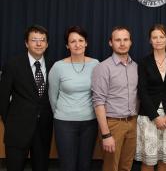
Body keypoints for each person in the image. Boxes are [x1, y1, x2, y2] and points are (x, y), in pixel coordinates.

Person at [0, 25, 53, 171]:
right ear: (26, 43)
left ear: (47, 44)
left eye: (42, 40)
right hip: (17, 130)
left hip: (43, 129)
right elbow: (3, 99)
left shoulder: (54, 65)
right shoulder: (12, 65)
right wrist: (10, 122)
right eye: (34, 40)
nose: (38, 43)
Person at [48, 26, 99, 171]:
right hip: (64, 123)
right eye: (73, 41)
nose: (77, 44)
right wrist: (62, 113)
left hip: (90, 123)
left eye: (81, 40)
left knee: (85, 165)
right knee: (67, 165)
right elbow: (52, 97)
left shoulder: (96, 64)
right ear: (67, 45)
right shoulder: (58, 67)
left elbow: (99, 94)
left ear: (86, 43)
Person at [135, 24, 166, 171]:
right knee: (148, 161)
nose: (158, 40)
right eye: (154, 37)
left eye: (161, 37)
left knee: (165, 160)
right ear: (150, 41)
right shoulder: (144, 62)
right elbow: (142, 91)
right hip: (149, 117)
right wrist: (155, 117)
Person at [91, 26, 138, 171]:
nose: (122, 43)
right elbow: (98, 102)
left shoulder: (135, 66)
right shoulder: (103, 67)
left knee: (126, 167)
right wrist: (106, 134)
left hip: (132, 123)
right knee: (111, 167)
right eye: (118, 40)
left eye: (125, 39)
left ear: (130, 42)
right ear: (111, 43)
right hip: (113, 124)